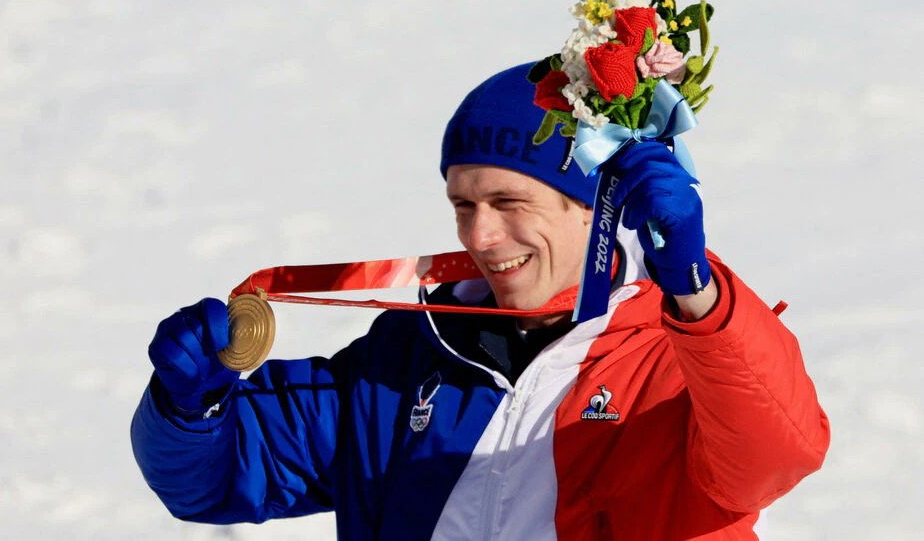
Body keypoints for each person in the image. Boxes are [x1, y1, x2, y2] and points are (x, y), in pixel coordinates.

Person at [131, 62, 830, 540]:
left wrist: (697, 295)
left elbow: (777, 455)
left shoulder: (678, 364)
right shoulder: (404, 359)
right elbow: (213, 481)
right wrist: (191, 407)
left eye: (508, 202)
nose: (480, 235)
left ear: (592, 206)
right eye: (463, 205)